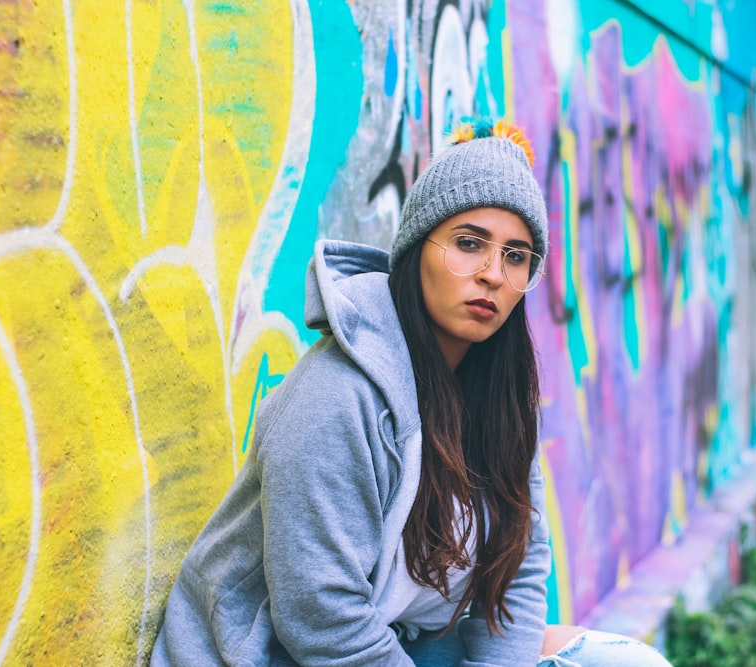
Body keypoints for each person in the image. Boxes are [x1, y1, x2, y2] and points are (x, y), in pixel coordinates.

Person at [150, 117, 672, 666]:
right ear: (416, 249)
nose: (493, 274)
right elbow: (320, 618)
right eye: (469, 245)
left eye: (516, 256)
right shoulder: (339, 396)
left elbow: (517, 569)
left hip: (401, 647)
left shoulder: (499, 404)